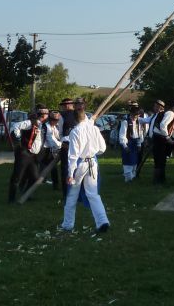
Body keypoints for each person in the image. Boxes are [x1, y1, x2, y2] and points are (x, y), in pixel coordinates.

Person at [60, 102, 109, 232]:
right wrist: (92, 152)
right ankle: (102, 221)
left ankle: (67, 224)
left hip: (80, 164)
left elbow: (73, 156)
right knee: (93, 194)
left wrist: (70, 174)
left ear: (74, 119)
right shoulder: (94, 129)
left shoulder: (75, 132)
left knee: (72, 194)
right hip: (92, 162)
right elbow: (102, 148)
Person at [8, 111, 46, 203]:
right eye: (46, 114)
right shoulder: (30, 122)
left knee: (35, 177)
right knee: (17, 176)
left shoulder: (43, 126)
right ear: (42, 116)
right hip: (24, 153)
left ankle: (25, 194)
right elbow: (16, 126)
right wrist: (18, 138)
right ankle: (11, 199)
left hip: (33, 155)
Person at [152, 102, 174, 184]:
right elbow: (163, 125)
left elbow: (165, 124)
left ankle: (160, 179)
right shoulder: (171, 114)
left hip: (159, 137)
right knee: (160, 160)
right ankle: (158, 181)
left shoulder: (171, 113)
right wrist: (168, 138)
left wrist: (172, 127)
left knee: (161, 160)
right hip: (160, 138)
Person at [119, 103, 143, 182]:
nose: (135, 117)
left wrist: (139, 144)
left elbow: (140, 133)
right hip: (128, 143)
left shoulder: (138, 122)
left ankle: (133, 177)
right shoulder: (125, 122)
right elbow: (122, 135)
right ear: (131, 114)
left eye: (137, 115)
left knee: (134, 162)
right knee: (128, 161)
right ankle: (128, 179)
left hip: (135, 143)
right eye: (134, 115)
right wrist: (125, 146)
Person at [58, 98, 76, 199]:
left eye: (68, 104)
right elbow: (60, 132)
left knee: (76, 168)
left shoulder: (79, 114)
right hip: (66, 145)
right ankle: (67, 193)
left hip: (76, 145)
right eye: (64, 105)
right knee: (66, 169)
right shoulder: (62, 116)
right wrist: (62, 142)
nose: (66, 106)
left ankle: (74, 192)